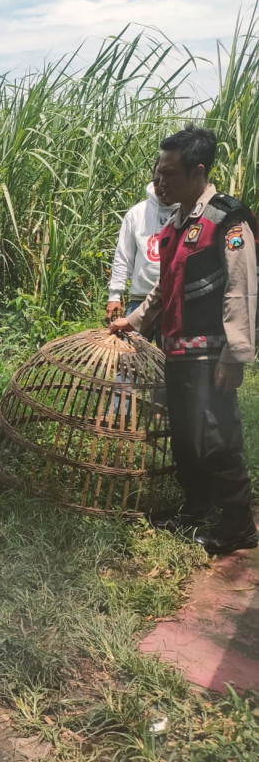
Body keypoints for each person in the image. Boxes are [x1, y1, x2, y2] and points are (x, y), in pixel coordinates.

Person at [109, 124, 258, 555]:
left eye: (168, 173)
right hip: (177, 352)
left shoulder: (226, 220)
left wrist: (236, 352)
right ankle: (196, 509)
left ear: (197, 173)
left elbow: (241, 288)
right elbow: (163, 289)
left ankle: (237, 524)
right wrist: (134, 322)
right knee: (186, 436)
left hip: (212, 354)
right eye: (157, 171)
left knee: (216, 436)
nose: (159, 180)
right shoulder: (178, 223)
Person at [105, 170, 179, 331]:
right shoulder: (136, 214)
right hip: (139, 300)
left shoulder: (186, 213)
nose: (161, 186)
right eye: (156, 180)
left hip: (173, 301)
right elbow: (123, 257)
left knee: (170, 355)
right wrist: (115, 296)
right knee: (130, 354)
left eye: (167, 179)